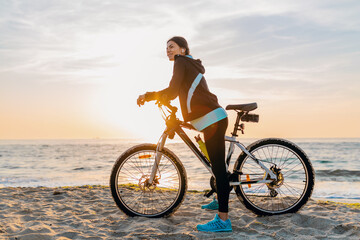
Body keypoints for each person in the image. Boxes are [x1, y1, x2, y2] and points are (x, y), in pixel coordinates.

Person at [137, 36, 232, 232]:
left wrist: (148, 96)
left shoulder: (181, 62)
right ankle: (219, 196)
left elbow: (172, 91)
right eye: (166, 48)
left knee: (219, 169)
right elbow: (179, 89)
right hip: (210, 118)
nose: (168, 50)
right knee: (215, 164)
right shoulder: (190, 64)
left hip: (212, 118)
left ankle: (223, 221)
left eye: (172, 47)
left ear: (182, 49)